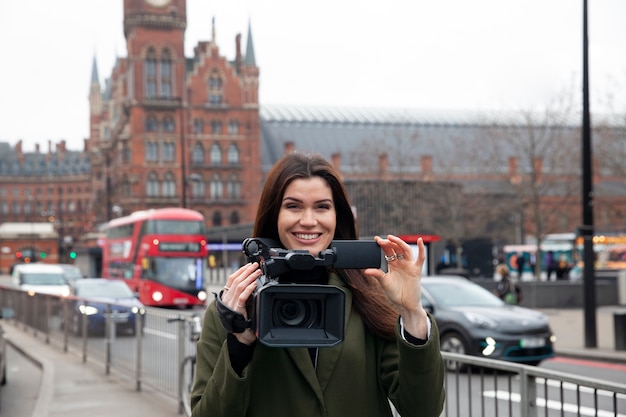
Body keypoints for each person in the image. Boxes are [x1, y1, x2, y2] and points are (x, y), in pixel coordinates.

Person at [191, 152, 446, 417]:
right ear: (274, 214)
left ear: (338, 216)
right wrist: (240, 342)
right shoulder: (236, 309)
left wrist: (412, 313)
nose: (309, 220)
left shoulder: (370, 299)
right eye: (293, 206)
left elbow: (423, 410)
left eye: (322, 207)